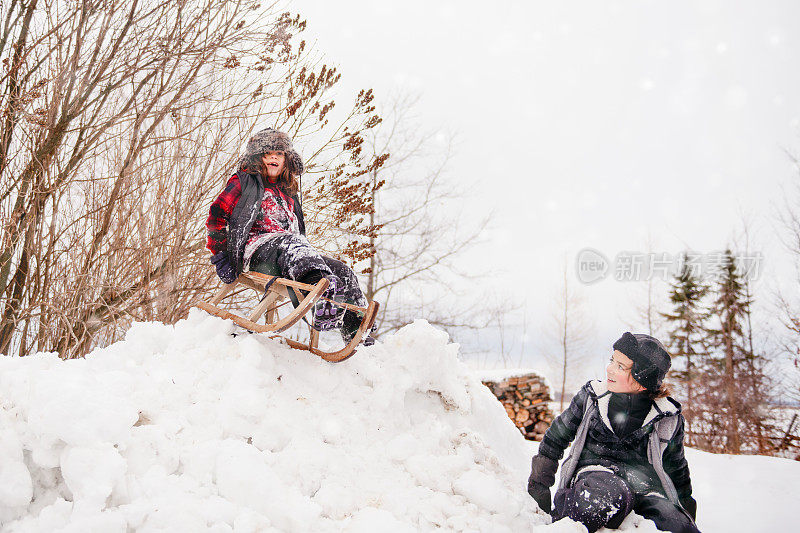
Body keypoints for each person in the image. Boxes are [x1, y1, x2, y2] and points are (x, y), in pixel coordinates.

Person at [205, 128, 372, 344]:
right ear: (257, 158)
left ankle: (357, 330)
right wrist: (221, 256)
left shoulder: (288, 191)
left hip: (290, 255)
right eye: (268, 153)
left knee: (342, 270)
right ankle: (322, 294)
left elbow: (298, 237)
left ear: (286, 160)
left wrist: (309, 256)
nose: (274, 157)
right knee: (293, 245)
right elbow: (217, 216)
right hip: (257, 252)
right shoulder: (243, 182)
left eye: (279, 153)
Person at [527, 332, 699, 533]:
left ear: (642, 378)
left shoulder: (667, 417)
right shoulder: (592, 397)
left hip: (645, 489)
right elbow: (555, 438)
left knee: (676, 523)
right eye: (612, 361)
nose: (609, 369)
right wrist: (539, 486)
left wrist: (685, 514)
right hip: (595, 480)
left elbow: (676, 467)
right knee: (604, 494)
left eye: (620, 366)